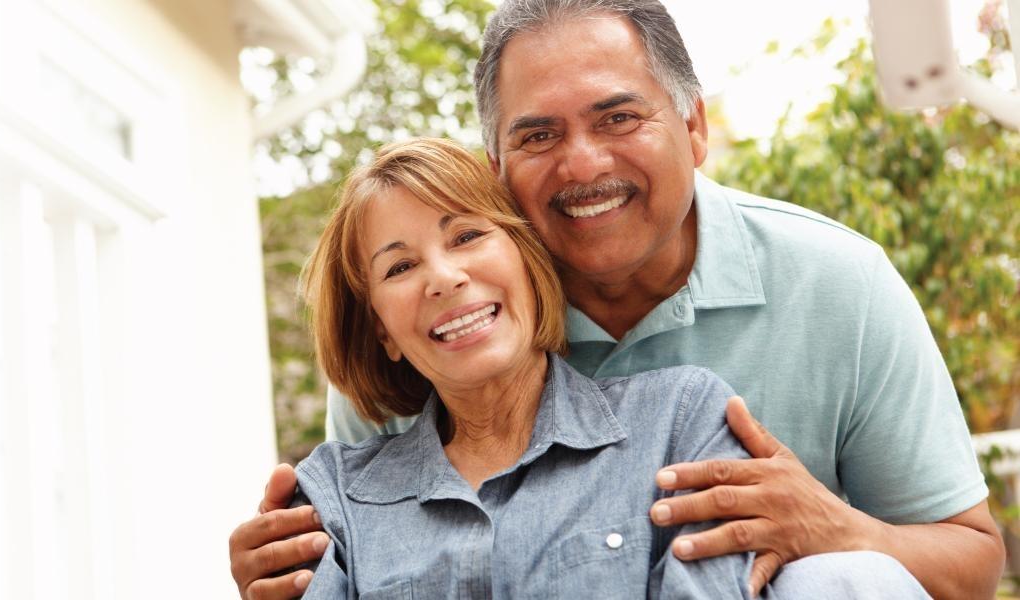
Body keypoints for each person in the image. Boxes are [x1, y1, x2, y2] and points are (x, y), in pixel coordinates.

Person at [228, 1, 1005, 598]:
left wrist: (835, 529)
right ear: (497, 169)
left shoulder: (837, 283)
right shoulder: (447, 330)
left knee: (843, 577)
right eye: (537, 137)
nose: (583, 162)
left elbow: (971, 561)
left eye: (619, 116)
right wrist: (285, 568)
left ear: (694, 127)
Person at [291, 136, 925, 598]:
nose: (444, 277)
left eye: (468, 236)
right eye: (399, 268)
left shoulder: (681, 420)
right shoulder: (334, 494)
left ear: (527, 260)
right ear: (382, 328)